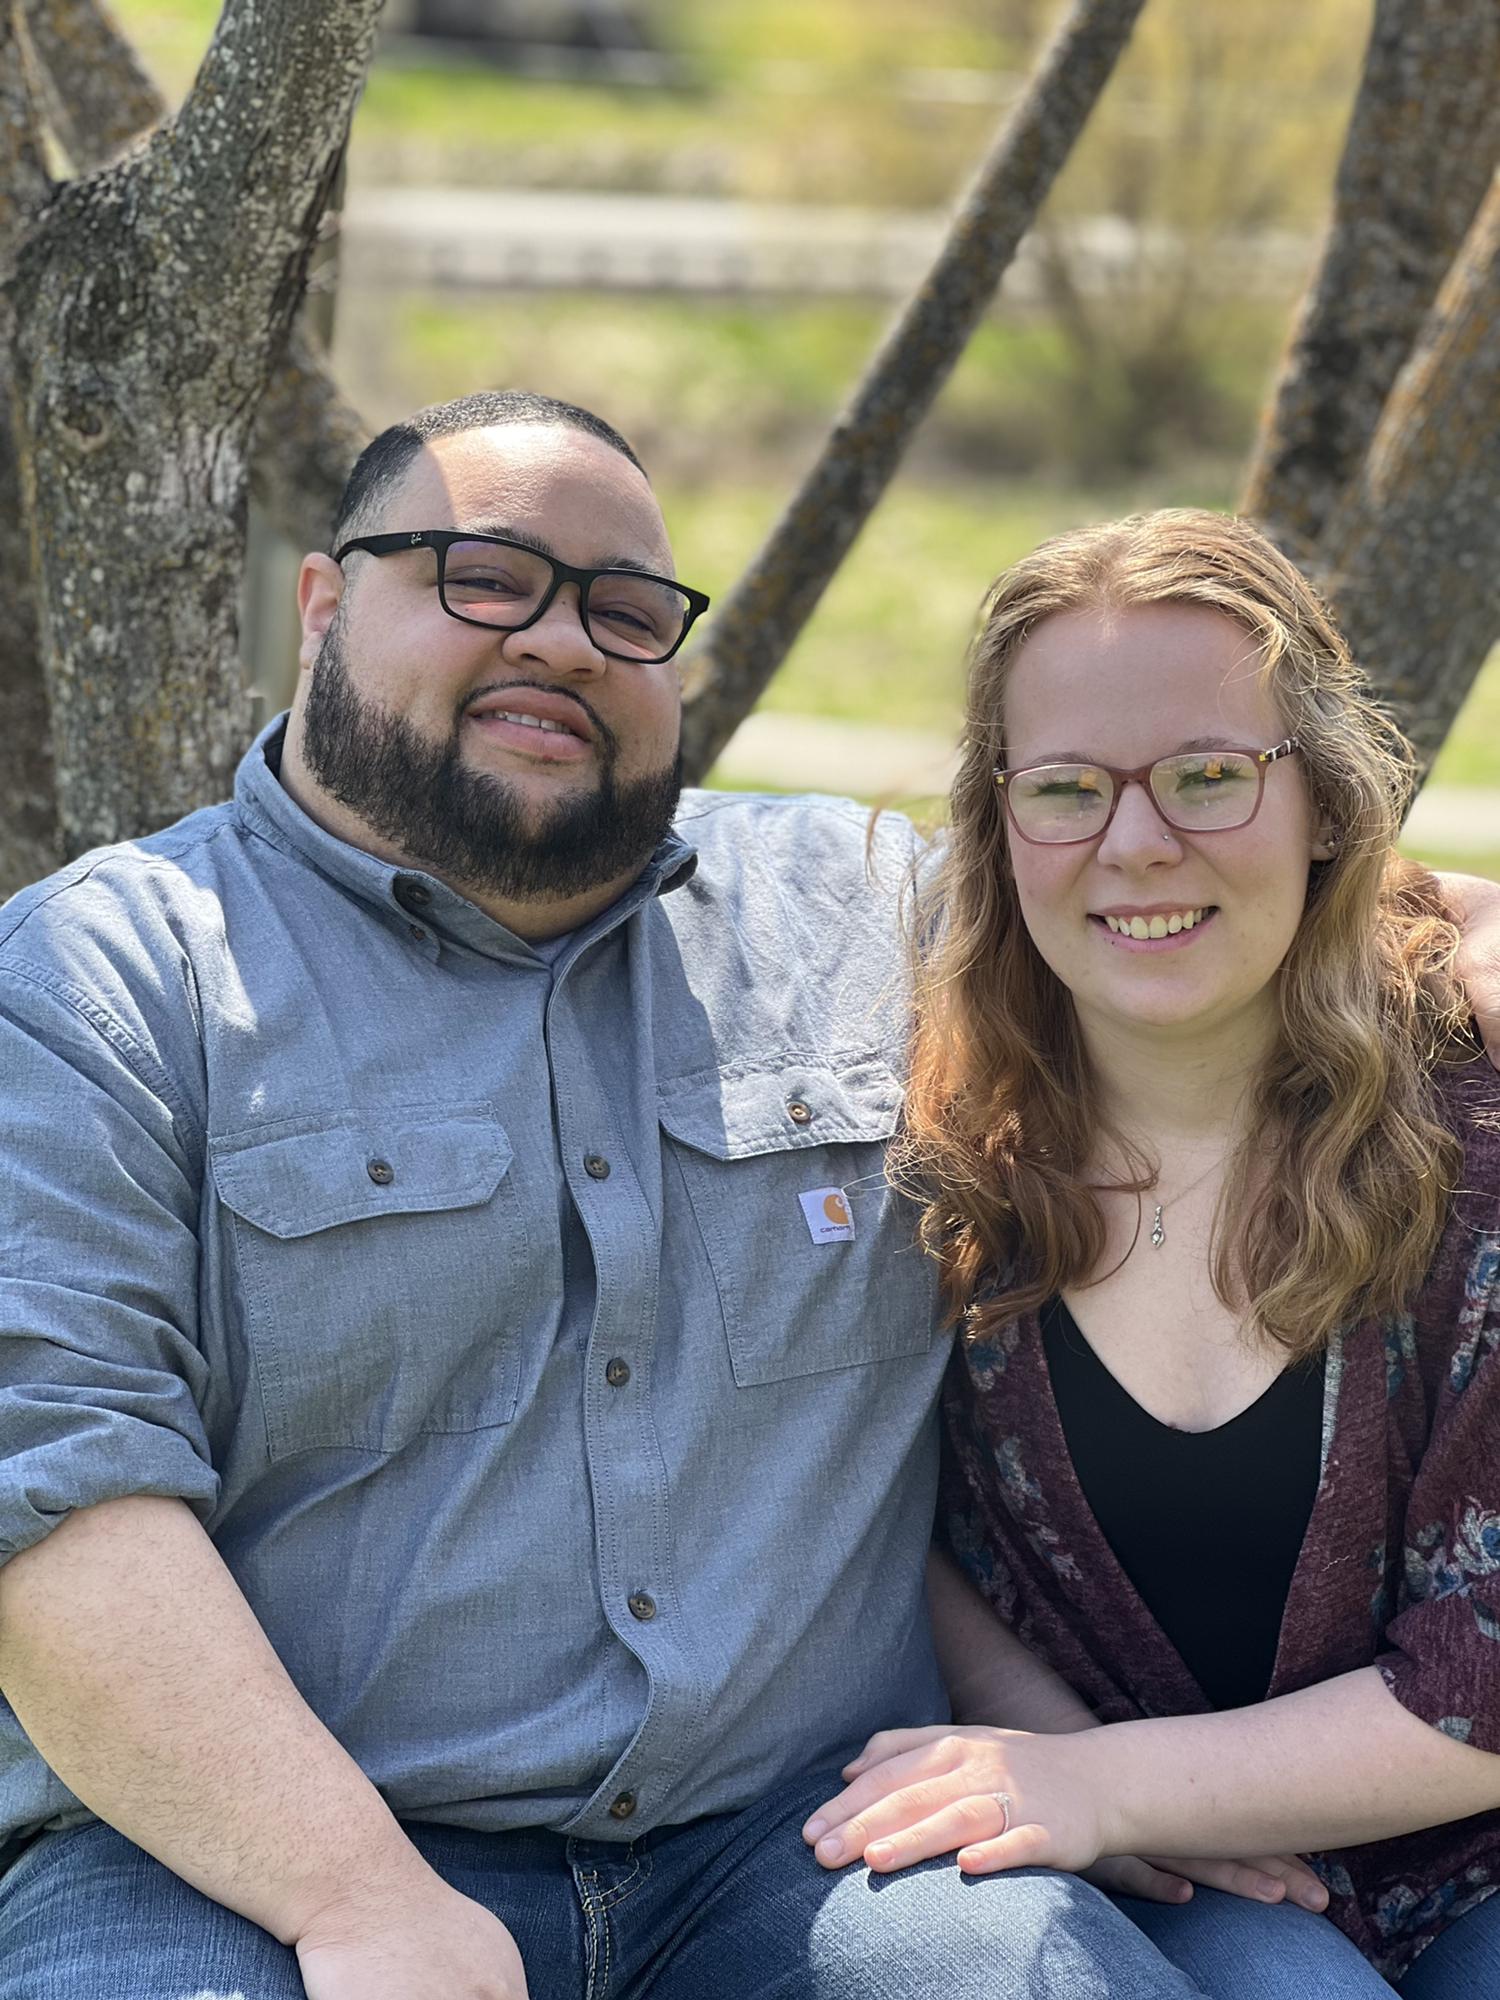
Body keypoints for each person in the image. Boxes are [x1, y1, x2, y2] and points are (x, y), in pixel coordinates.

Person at [0, 393, 1284, 2000]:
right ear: (323, 604)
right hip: (235, 1864)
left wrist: (1451, 943)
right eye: (484, 578)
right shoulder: (108, 979)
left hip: (802, 1849)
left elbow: (1207, 910)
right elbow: (54, 1500)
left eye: (624, 610)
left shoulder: (864, 913)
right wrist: (355, 1900)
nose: (562, 640)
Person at [798, 511, 1500, 1996]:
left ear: (1324, 800)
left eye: (1206, 775)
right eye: (1066, 787)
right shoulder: (927, 1147)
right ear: (998, 822)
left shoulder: (1474, 1131)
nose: (1135, 843)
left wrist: (1118, 1786)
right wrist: (1064, 1760)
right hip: (1167, 1875)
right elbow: (881, 1515)